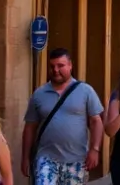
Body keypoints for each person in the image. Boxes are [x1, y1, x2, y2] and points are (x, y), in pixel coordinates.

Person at [22, 48, 105, 185]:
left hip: (76, 160)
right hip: (45, 158)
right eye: (52, 66)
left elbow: (96, 121)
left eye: (60, 65)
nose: (55, 70)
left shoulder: (85, 91)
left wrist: (95, 149)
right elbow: (30, 127)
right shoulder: (39, 94)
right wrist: (25, 157)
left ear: (70, 65)